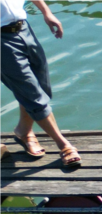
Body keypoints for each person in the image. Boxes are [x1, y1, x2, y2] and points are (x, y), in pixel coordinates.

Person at [0, 0, 80, 166]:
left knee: (41, 87)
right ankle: (64, 145)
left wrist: (46, 12)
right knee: (33, 95)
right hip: (2, 41)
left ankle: (23, 131)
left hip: (24, 29)